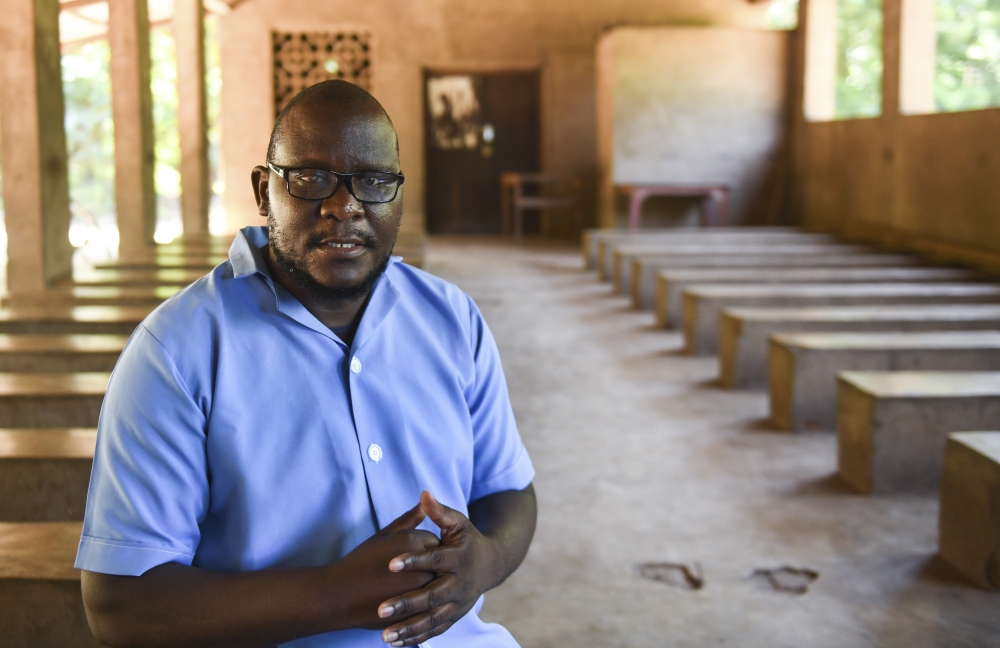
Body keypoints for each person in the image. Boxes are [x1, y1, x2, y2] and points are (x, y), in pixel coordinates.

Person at [76, 80, 537, 648]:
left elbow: (509, 491)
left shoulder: (451, 317)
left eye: (374, 182)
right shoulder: (176, 350)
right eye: (311, 178)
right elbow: (120, 608)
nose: (344, 206)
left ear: (398, 195)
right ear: (263, 191)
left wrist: (483, 562)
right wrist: (337, 596)